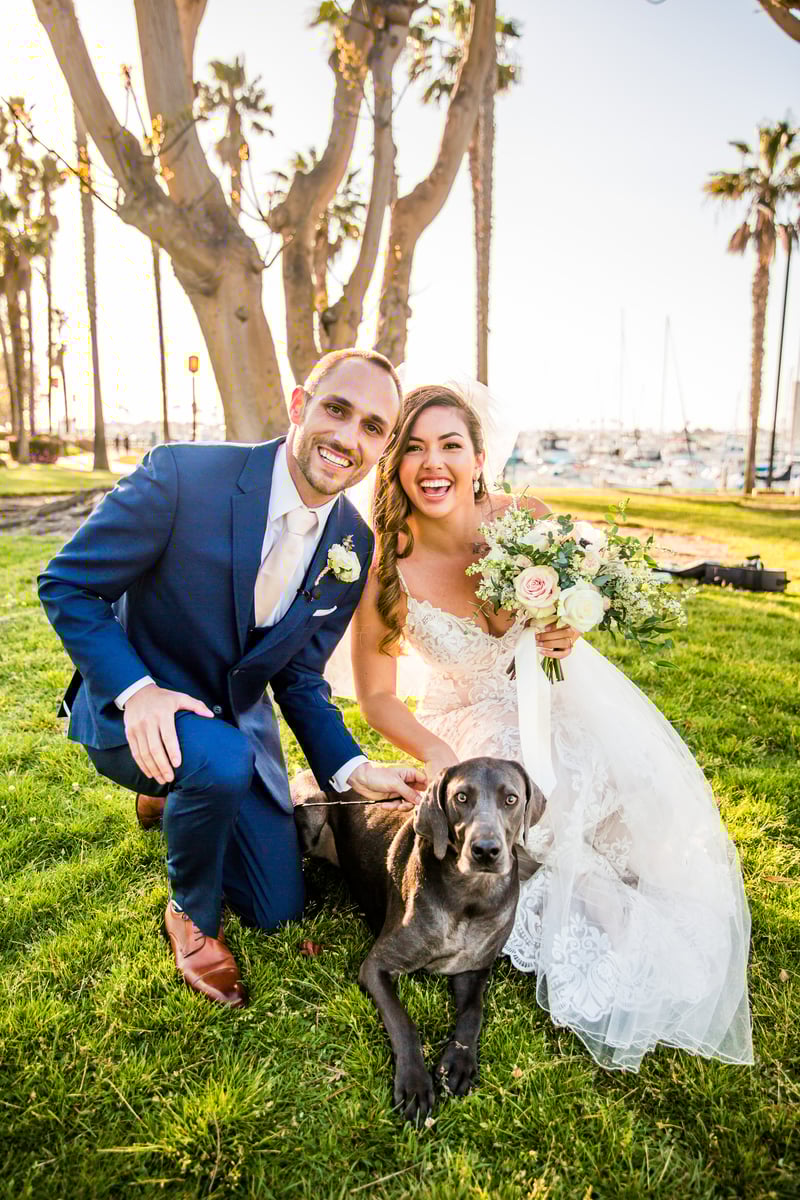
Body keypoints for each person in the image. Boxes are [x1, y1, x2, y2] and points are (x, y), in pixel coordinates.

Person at [349, 382, 753, 1071]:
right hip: (464, 720)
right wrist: (441, 757)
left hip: (548, 693)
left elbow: (575, 597)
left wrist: (569, 625)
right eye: (413, 448)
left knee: (614, 773)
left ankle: (608, 878)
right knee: (520, 791)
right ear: (395, 465)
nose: (433, 463)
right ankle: (581, 901)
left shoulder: (526, 521)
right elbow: (378, 700)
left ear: (479, 458)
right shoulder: (386, 565)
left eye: (450, 445)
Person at [38, 349, 425, 1010]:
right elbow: (68, 585)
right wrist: (138, 692)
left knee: (277, 908)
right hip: (137, 711)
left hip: (234, 726)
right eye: (337, 410)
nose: (347, 438)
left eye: (371, 427)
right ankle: (189, 915)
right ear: (300, 406)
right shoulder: (183, 475)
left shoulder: (352, 544)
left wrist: (355, 768)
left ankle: (172, 799)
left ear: (383, 445)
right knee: (218, 759)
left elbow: (299, 680)